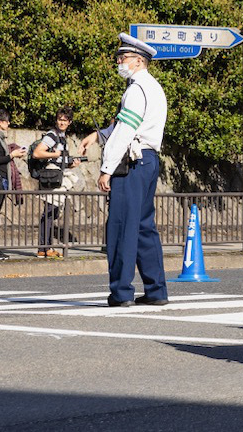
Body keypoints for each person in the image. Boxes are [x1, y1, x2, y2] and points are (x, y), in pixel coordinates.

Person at [84, 36, 168, 305]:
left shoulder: (135, 90)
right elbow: (127, 125)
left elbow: (126, 129)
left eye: (124, 58)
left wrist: (106, 168)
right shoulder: (154, 87)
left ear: (139, 61)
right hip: (149, 160)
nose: (119, 62)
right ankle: (156, 291)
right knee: (144, 227)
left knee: (121, 226)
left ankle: (121, 293)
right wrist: (97, 136)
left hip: (131, 162)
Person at [31, 107, 84, 258]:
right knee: (49, 211)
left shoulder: (61, 137)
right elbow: (37, 153)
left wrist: (70, 164)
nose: (61, 122)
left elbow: (58, 159)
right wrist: (57, 154)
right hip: (52, 177)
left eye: (65, 120)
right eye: (59, 119)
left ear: (69, 122)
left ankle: (46, 247)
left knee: (52, 212)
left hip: (56, 175)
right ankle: (43, 248)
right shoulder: (52, 135)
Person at [0, 109, 25, 260]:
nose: (8, 124)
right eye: (7, 121)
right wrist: (11, 155)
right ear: (1, 122)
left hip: (0, 180)